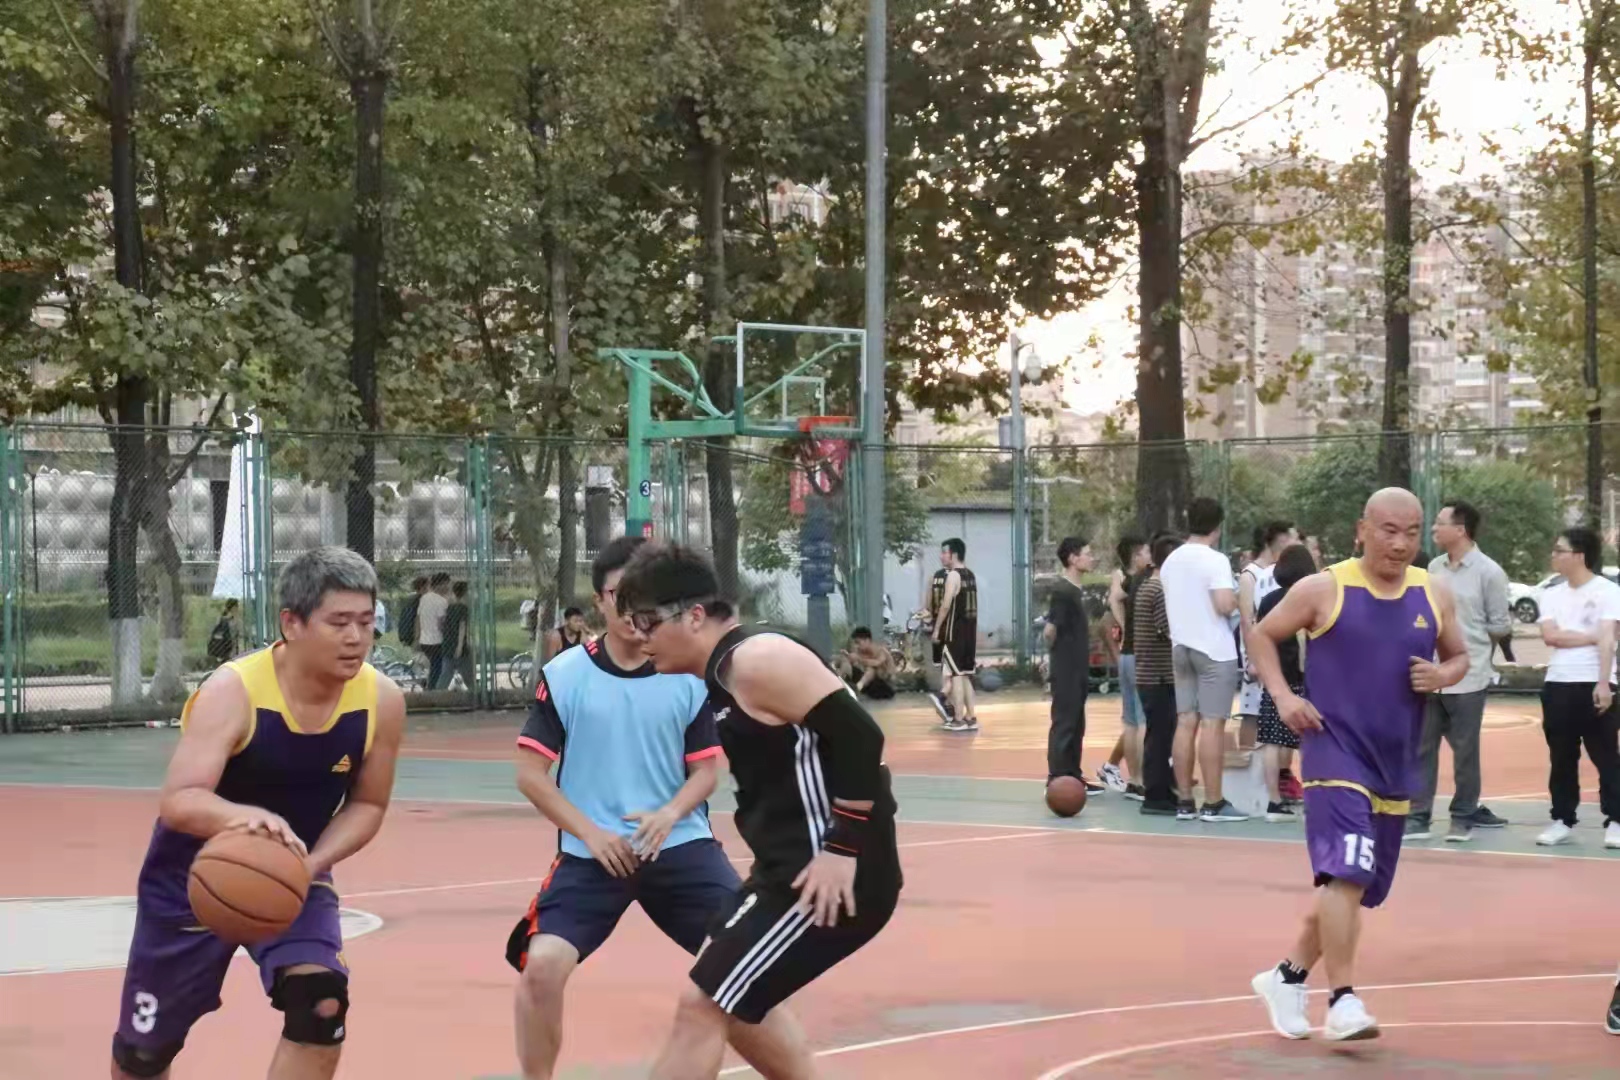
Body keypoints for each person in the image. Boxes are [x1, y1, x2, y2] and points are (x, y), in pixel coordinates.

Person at [506, 536, 811, 1080]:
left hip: (681, 848)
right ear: (600, 601)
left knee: (736, 971)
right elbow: (531, 775)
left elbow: (706, 772)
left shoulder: (688, 674)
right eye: (620, 596)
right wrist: (591, 834)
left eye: (645, 597)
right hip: (593, 854)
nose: (633, 610)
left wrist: (669, 814)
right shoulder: (566, 675)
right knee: (543, 966)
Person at [110, 546, 406, 1080]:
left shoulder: (381, 701)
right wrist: (242, 820)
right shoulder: (234, 691)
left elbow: (368, 804)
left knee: (322, 1005)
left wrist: (309, 864)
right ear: (291, 623)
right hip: (192, 877)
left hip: (297, 870)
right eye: (338, 622)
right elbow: (180, 799)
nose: (356, 637)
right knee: (143, 1057)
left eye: (366, 622)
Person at [613, 542, 901, 1080]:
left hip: (827, 877)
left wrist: (843, 848)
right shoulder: (724, 673)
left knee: (702, 1005)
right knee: (731, 1003)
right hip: (784, 872)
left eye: (647, 622)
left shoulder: (756, 660)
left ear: (693, 615)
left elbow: (863, 738)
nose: (639, 637)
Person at [1248, 488, 1467, 1043]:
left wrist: (1443, 675)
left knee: (1356, 885)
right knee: (1346, 871)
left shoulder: (1433, 592)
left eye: (1411, 532)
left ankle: (1286, 977)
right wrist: (1283, 696)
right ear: (1362, 529)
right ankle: (1342, 1000)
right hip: (1333, 750)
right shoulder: (1324, 588)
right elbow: (1262, 635)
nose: (1400, 543)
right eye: (1388, 530)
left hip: (1395, 759)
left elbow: (1460, 656)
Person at [1409, 501, 1513, 842]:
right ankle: (1418, 816)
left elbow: (1499, 625)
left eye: (1440, 523)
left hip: (1469, 676)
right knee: (1422, 748)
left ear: (1461, 529)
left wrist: (1476, 653)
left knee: (1465, 752)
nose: (1433, 528)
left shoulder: (1489, 572)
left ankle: (1463, 816)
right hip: (1431, 674)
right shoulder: (1433, 568)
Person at [1159, 497, 1246, 822]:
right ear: (1217, 527)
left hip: (1180, 646)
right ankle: (1213, 801)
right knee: (1212, 723)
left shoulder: (1171, 560)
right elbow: (1224, 604)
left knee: (1186, 721)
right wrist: (1240, 598)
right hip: (1213, 649)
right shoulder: (1215, 559)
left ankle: (1184, 800)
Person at [1534, 526, 1620, 849]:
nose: (1554, 555)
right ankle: (1562, 819)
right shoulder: (1550, 594)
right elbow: (1551, 636)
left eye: (1560, 550)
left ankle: (1616, 820)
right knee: (1561, 756)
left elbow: (1608, 639)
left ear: (1579, 556)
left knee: (1606, 755)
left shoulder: (1607, 591)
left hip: (1595, 681)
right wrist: (1590, 636)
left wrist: (1603, 682)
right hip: (1558, 682)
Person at [1254, 543, 1318, 823]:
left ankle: (1274, 801)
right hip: (1303, 679)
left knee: (1272, 740)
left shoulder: (1268, 600)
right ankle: (1315, 799)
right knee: (1309, 739)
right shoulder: (1310, 599)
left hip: (1274, 679)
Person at [1046, 536, 1105, 795]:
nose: (1091, 558)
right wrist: (1057, 658)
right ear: (1072, 558)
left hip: (1077, 668)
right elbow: (1050, 630)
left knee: (1077, 723)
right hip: (1066, 668)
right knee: (1065, 722)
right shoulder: (1063, 591)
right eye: (1087, 553)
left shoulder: (1075, 590)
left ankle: (1073, 775)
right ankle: (1057, 777)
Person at [1238, 521, 1299, 756]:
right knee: (1252, 713)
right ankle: (1246, 764)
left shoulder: (1285, 573)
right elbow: (1247, 620)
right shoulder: (1251, 574)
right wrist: (1253, 659)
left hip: (1280, 656)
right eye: (1293, 537)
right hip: (1257, 656)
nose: (1297, 542)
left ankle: (1277, 771)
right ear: (1281, 540)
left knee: (1276, 718)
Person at [1133, 533, 1183, 815]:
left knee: (1160, 735)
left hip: (1152, 674)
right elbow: (1169, 628)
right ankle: (1155, 794)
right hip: (1158, 676)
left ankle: (1162, 789)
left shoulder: (1148, 587)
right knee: (1160, 737)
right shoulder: (1159, 590)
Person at [1102, 534, 1151, 798]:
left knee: (1131, 722)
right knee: (1143, 722)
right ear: (1136, 555)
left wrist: (1124, 627)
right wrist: (1125, 625)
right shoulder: (1146, 581)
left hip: (1127, 654)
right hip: (1141, 656)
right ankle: (1143, 780)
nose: (1150, 556)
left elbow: (1114, 599)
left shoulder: (1126, 581)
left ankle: (1135, 780)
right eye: (1146, 552)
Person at [930, 538, 980, 732]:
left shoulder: (953, 576)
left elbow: (945, 606)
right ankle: (971, 717)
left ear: (954, 554)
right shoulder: (970, 575)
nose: (941, 556)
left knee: (956, 675)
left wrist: (937, 629)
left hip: (955, 633)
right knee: (965, 675)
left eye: (945, 552)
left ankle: (958, 719)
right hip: (970, 633)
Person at [836, 627, 896, 700]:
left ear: (867, 640)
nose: (857, 646)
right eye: (855, 643)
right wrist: (847, 657)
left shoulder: (881, 651)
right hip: (869, 683)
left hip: (884, 685)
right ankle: (838, 682)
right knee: (845, 660)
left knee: (871, 669)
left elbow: (877, 663)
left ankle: (858, 687)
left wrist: (858, 659)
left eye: (858, 643)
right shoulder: (861, 651)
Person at [205, 599, 241, 669]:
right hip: (229, 650)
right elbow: (236, 636)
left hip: (221, 649)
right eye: (236, 607)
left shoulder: (221, 618)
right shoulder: (232, 620)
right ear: (233, 608)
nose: (237, 609)